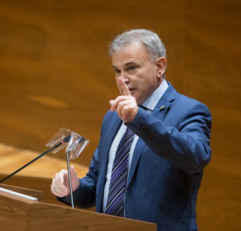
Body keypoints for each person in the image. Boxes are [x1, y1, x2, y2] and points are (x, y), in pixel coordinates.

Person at [51, 29, 212, 231]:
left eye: (132, 68)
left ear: (160, 66)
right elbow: (97, 185)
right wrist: (74, 188)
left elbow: (196, 157)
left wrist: (139, 118)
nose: (122, 79)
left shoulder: (189, 111)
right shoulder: (113, 115)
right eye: (117, 71)